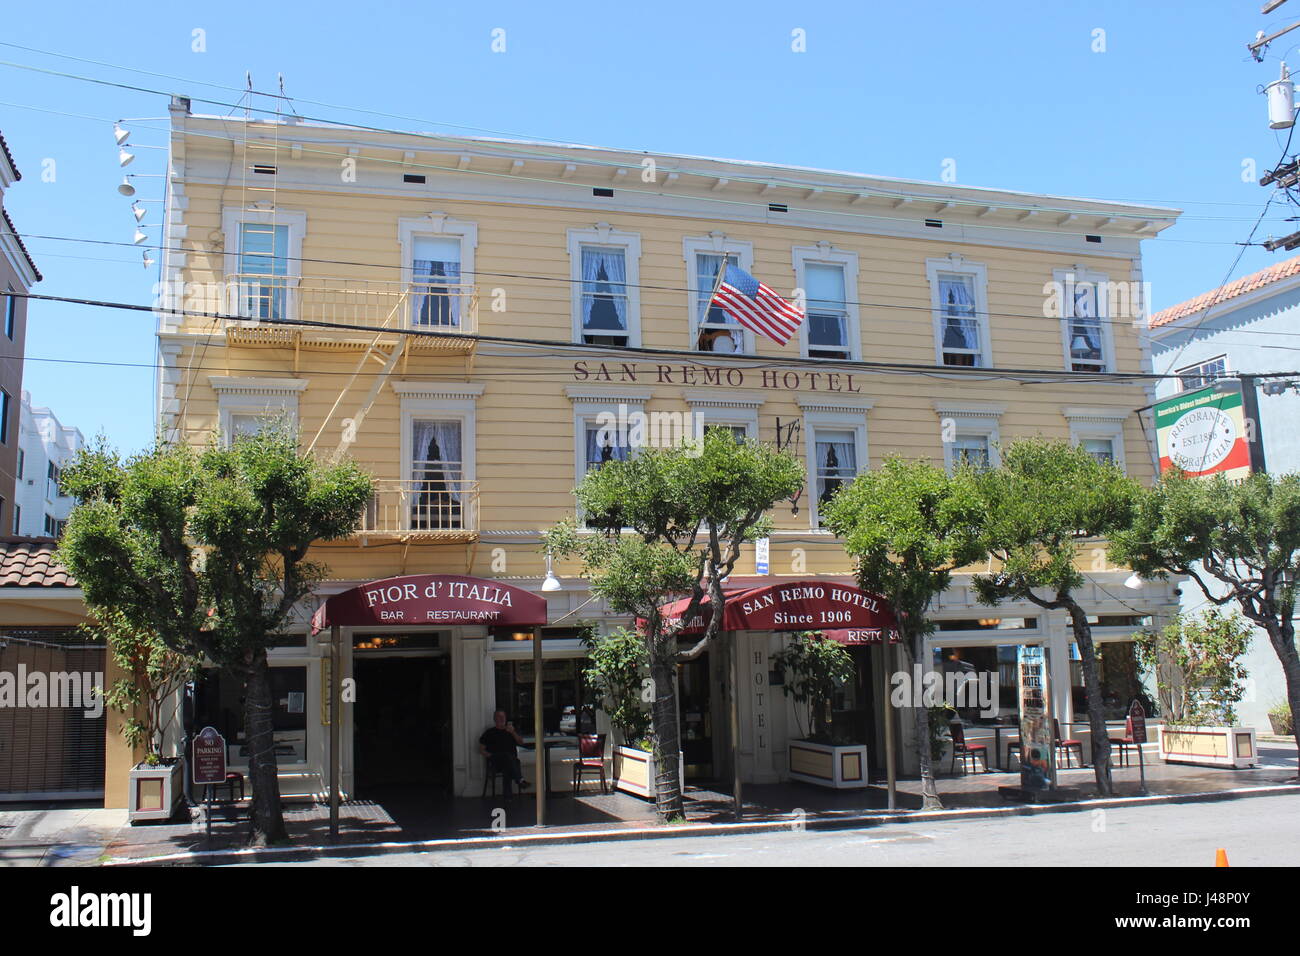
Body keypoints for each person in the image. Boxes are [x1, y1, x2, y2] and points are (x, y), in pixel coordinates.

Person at [480, 710, 527, 796]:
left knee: (508, 763)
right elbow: (481, 749)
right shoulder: (489, 732)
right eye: (499, 716)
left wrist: (513, 732)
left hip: (510, 761)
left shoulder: (511, 731)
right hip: (496, 761)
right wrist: (489, 755)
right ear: (494, 719)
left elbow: (521, 742)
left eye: (503, 716)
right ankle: (520, 780)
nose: (501, 719)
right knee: (508, 757)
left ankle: (508, 797)